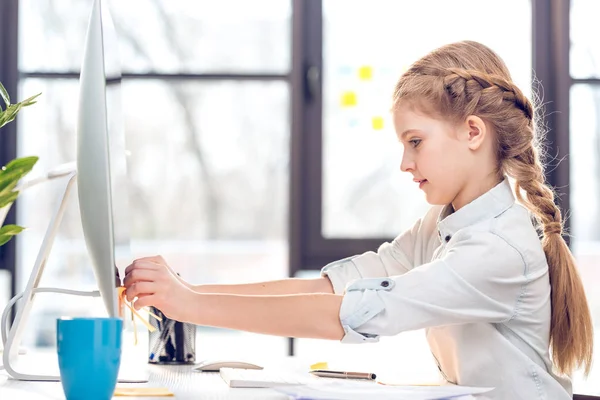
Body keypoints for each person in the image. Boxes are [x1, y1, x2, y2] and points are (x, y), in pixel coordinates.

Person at [123, 41, 593, 399]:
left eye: (415, 141)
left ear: (473, 132)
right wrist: (185, 295)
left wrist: (190, 305)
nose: (405, 164)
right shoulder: (441, 224)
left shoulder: (498, 248)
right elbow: (336, 289)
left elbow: (355, 312)